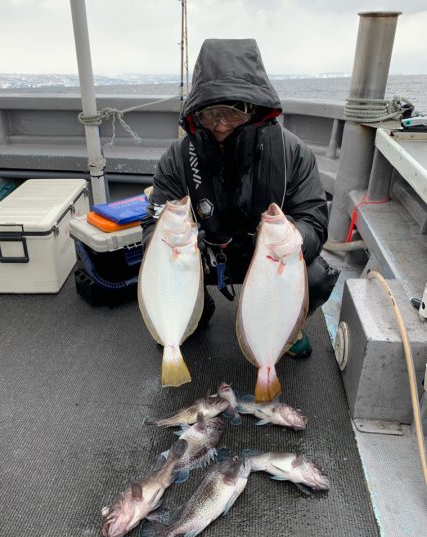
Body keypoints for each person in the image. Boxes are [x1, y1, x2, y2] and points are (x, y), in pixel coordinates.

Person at [141, 38, 339, 358]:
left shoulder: (292, 153)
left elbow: (314, 218)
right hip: (203, 257)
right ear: (195, 113)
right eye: (209, 113)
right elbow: (151, 223)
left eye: (231, 113)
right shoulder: (176, 159)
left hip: (267, 259)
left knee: (317, 276)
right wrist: (173, 242)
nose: (220, 124)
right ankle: (191, 316)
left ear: (252, 110)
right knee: (157, 272)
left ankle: (285, 329)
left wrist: (290, 237)